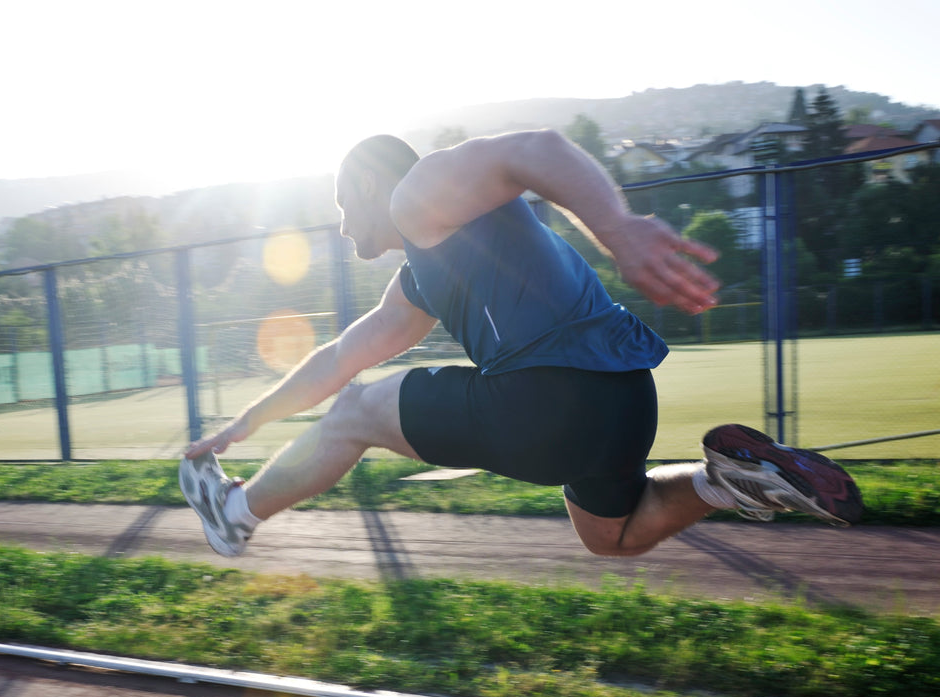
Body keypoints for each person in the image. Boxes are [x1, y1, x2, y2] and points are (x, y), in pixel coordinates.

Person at [179, 131, 861, 558]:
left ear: (364, 184)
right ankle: (727, 483)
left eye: (339, 205)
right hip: (623, 401)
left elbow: (537, 150)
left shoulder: (417, 194)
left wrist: (618, 228)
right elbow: (335, 357)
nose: (340, 225)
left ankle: (233, 514)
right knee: (612, 535)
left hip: (546, 396)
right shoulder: (423, 275)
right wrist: (248, 422)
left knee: (356, 411)